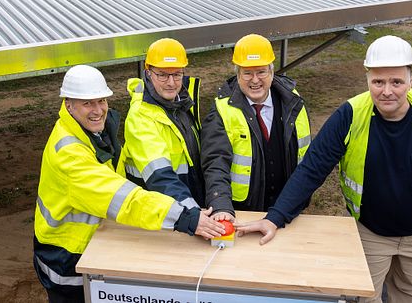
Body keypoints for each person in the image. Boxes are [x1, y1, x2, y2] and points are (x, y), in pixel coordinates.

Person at [236, 35, 412, 303]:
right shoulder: (350, 115)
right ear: (368, 80)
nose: (387, 91)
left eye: (396, 82)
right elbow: (313, 167)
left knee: (408, 293)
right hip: (371, 233)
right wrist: (275, 217)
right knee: (364, 298)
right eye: (378, 82)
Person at [33, 65, 225, 303]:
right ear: (68, 105)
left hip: (91, 244)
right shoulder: (69, 154)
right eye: (87, 103)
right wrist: (185, 217)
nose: (98, 110)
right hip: (68, 258)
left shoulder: (89, 132)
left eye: (101, 101)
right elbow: (122, 197)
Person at [201, 33, 311, 222]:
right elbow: (215, 163)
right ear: (237, 74)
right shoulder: (222, 110)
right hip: (244, 211)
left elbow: (306, 153)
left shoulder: (292, 101)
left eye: (261, 72)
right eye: (247, 73)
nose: (255, 80)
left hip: (288, 207)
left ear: (272, 71)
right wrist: (221, 205)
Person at [120, 38, 205, 209]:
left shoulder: (181, 103)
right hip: (158, 211)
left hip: (182, 205)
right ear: (148, 72)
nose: (171, 83)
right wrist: (193, 212)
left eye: (176, 74)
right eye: (163, 75)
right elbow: (160, 176)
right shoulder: (140, 116)